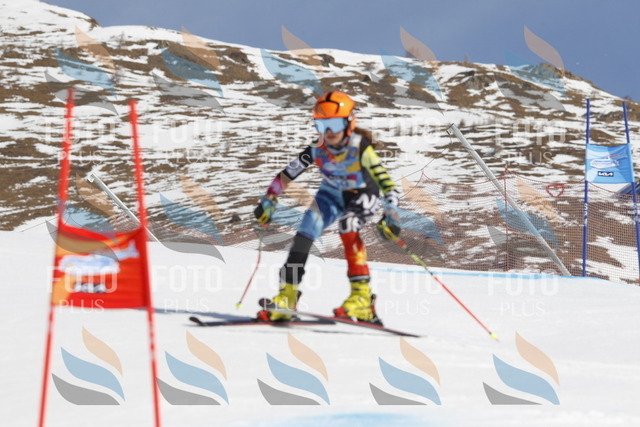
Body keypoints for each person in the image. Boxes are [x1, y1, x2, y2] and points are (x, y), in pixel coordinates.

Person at [253, 91, 401, 325]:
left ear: (349, 122)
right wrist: (269, 199)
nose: (329, 131)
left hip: (362, 194)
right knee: (304, 233)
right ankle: (287, 297)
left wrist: (391, 215)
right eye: (322, 125)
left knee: (348, 225)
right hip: (331, 195)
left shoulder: (360, 147)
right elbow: (287, 174)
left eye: (335, 124)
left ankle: (362, 298)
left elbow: (387, 184)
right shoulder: (317, 147)